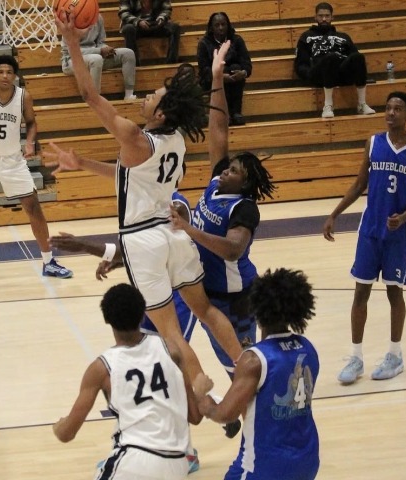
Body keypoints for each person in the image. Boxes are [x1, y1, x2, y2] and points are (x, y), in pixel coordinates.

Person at [49, 14, 243, 387]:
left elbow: (90, 96)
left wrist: (72, 42)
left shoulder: (135, 138)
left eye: (152, 97)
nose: (146, 97)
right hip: (174, 235)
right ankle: (243, 362)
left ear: (161, 113)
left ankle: (200, 385)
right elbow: (132, 177)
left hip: (143, 240)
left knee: (169, 331)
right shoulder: (177, 141)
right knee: (205, 310)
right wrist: (83, 163)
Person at [171, 42, 275, 379]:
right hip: (206, 292)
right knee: (227, 363)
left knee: (245, 370)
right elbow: (218, 128)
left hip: (235, 299)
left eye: (234, 171)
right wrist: (217, 77)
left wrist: (189, 230)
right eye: (228, 167)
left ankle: (251, 405)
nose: (226, 170)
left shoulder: (244, 209)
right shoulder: (217, 183)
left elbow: (232, 249)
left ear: (245, 184)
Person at [53, 283, 208, 480]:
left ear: (107, 319)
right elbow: (195, 416)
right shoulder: (171, 350)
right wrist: (200, 392)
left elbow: (67, 434)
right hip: (177, 464)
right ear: (143, 314)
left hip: (133, 461)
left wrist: (59, 426)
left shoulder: (101, 368)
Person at [323, 91, 406, 384]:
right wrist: (334, 214)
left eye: (398, 109)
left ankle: (395, 355)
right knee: (360, 293)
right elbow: (358, 185)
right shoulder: (374, 142)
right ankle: (356, 358)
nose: (391, 113)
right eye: (388, 108)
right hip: (370, 230)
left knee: (394, 293)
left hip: (399, 234)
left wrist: (405, 216)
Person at [0, 54, 72, 290]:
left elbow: (31, 122)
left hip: (13, 162)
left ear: (15, 75)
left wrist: (30, 141)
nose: (5, 76)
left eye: (9, 72)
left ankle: (48, 262)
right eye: (0, 72)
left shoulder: (23, 96)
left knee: (34, 208)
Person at [197, 268, 320, 480]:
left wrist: (203, 401)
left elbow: (225, 414)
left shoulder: (254, 360)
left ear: (257, 311)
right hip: (307, 460)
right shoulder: (308, 348)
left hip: (264, 467)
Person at [294, 2, 376, 119]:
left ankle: (362, 104)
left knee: (358, 57)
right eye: (320, 16)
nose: (324, 19)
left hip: (341, 73)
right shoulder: (306, 37)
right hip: (319, 74)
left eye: (327, 16)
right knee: (331, 57)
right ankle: (328, 105)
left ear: (332, 17)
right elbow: (301, 63)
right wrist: (308, 75)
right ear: (315, 17)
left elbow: (355, 60)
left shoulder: (343, 37)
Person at [61, 14, 137, 100]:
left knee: (128, 53)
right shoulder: (70, 21)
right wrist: (100, 51)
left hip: (95, 56)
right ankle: (95, 99)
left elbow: (100, 42)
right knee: (96, 59)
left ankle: (129, 95)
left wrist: (106, 49)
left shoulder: (98, 17)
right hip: (71, 61)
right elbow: (72, 51)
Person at [197, 12, 252, 126]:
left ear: (228, 25)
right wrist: (219, 76)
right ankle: (225, 114)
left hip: (234, 78)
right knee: (223, 70)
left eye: (223, 24)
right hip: (212, 79)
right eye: (217, 25)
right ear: (211, 28)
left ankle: (236, 112)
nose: (221, 28)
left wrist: (243, 73)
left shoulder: (237, 40)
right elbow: (203, 70)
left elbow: (247, 63)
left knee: (235, 68)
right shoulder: (204, 43)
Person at [118, 0, 181, 66]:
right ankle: (134, 64)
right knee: (128, 29)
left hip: (155, 23)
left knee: (175, 27)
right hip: (135, 26)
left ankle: (171, 63)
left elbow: (167, 9)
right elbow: (124, 13)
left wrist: (162, 17)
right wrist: (138, 21)